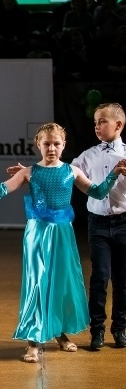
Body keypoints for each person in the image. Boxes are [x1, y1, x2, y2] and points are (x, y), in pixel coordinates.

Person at [0, 122, 126, 363]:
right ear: (38, 144)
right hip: (37, 234)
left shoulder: (72, 171)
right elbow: (2, 189)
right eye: (47, 144)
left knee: (60, 283)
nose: (52, 148)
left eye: (56, 144)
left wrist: (114, 173)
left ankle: (59, 332)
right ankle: (34, 341)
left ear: (64, 145)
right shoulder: (29, 172)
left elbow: (98, 193)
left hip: (63, 234)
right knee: (37, 283)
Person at [70, 103, 126, 350]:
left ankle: (120, 328)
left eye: (102, 121)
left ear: (118, 125)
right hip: (98, 223)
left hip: (124, 222)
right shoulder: (88, 155)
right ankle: (97, 330)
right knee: (100, 277)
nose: (97, 126)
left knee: (122, 279)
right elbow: (64, 173)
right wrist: (32, 172)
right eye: (95, 122)